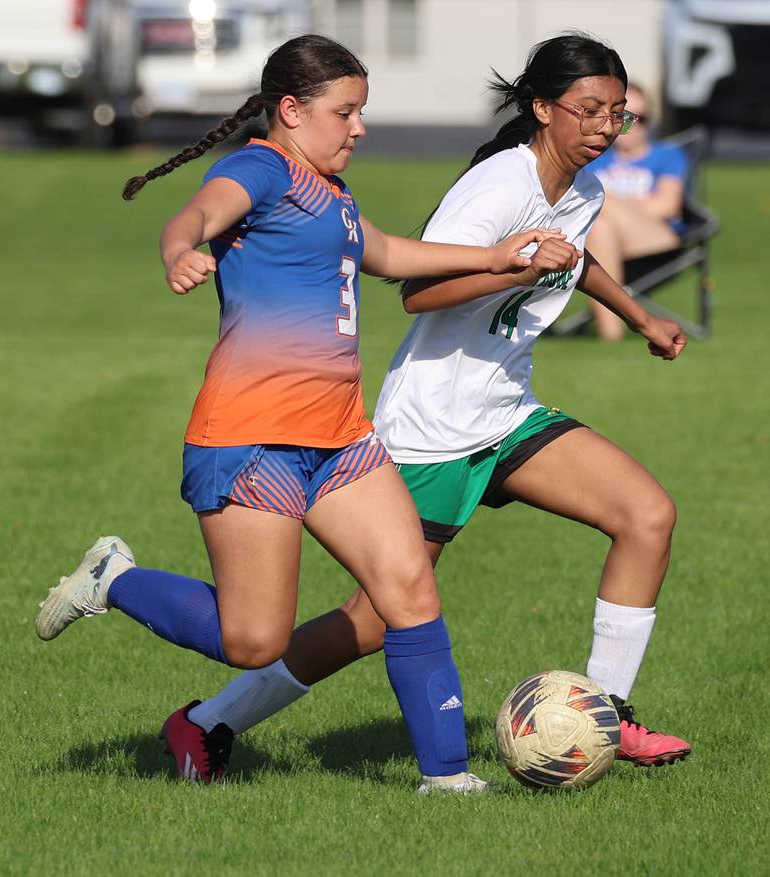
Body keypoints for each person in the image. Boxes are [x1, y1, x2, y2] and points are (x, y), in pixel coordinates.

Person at [34, 34, 560, 794]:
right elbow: (193, 216)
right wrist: (181, 252)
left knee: (409, 589)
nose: (359, 127)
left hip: (342, 438)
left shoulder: (333, 193)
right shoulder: (261, 169)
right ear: (290, 109)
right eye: (345, 112)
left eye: (361, 112)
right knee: (254, 640)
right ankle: (114, 578)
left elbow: (387, 254)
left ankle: (446, 778)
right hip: (252, 441)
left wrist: (496, 257)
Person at [173, 33, 692, 784]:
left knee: (646, 515)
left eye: (617, 114)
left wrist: (641, 317)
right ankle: (211, 720)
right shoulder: (497, 185)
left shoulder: (585, 190)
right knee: (374, 619)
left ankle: (605, 714)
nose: (606, 127)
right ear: (543, 109)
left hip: (506, 412)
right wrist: (509, 266)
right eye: (590, 111)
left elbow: (572, 256)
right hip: (433, 427)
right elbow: (418, 291)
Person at [585, 83, 688, 340]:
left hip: (657, 243)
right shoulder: (594, 156)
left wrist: (613, 203)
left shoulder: (666, 155)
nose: (632, 126)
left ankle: (612, 333)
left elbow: (666, 206)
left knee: (598, 200)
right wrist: (638, 203)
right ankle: (611, 335)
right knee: (601, 228)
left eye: (642, 119)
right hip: (600, 241)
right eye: (622, 117)